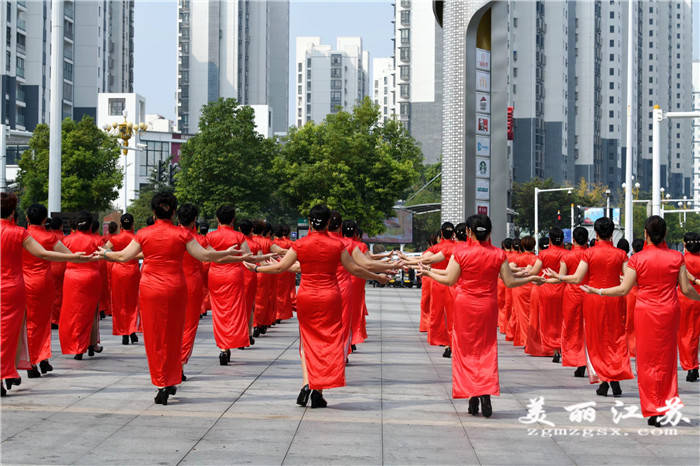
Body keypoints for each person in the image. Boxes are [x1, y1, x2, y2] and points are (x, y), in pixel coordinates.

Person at [99, 192, 248, 405]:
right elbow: (205, 256)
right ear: (174, 211)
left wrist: (103, 254)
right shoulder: (182, 235)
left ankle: (161, 382)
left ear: (153, 211)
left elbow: (123, 256)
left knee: (154, 336)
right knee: (174, 334)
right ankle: (171, 378)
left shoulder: (143, 234)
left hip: (150, 289)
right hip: (176, 287)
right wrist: (229, 253)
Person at [244, 204, 389, 408]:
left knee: (307, 340)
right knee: (328, 341)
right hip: (330, 296)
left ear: (311, 221)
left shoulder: (300, 244)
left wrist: (257, 268)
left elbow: (281, 267)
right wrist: (378, 278)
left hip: (307, 296)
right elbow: (355, 268)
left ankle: (306, 383)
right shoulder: (337, 246)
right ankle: (318, 390)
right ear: (329, 222)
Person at [419, 215, 545, 417]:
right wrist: (531, 278)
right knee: (486, 349)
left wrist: (428, 273)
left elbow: (450, 279)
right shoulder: (498, 254)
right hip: (488, 306)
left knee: (465, 349)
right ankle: (485, 391)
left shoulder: (461, 253)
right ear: (490, 232)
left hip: (464, 305)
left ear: (469, 232)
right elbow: (510, 281)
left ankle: (472, 395)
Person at [579, 216, 700, 426]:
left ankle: (652, 407)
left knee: (647, 362)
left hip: (645, 313)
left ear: (645, 233)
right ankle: (663, 404)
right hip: (669, 312)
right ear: (665, 234)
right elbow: (687, 289)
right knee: (667, 361)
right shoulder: (676, 257)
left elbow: (624, 289)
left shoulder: (637, 259)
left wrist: (598, 290)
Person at [1, 193, 89, 396]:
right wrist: (75, 257)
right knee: (14, 331)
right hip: (18, 286)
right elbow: (43, 253)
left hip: (22, 284)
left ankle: (12, 370)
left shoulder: (23, 232)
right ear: (13, 212)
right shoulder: (20, 234)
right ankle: (15, 368)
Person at [546, 217, 633, 398]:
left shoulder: (589, 254)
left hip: (593, 298)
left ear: (596, 233)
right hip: (615, 298)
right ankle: (615, 375)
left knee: (596, 339)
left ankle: (603, 379)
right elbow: (627, 279)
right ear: (612, 234)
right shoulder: (621, 255)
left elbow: (577, 278)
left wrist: (558, 276)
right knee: (615, 338)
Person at [22, 204, 80, 377]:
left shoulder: (22, 235)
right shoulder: (49, 237)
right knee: (42, 322)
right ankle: (41, 358)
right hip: (42, 282)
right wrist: (80, 258)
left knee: (26, 324)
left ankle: (31, 361)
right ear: (44, 220)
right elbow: (68, 254)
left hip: (21, 282)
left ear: (26, 219)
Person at [206, 204, 259, 364]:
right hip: (234, 275)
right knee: (234, 310)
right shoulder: (238, 236)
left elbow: (207, 256)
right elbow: (248, 256)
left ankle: (223, 347)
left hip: (215, 275)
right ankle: (231, 342)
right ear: (233, 219)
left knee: (219, 311)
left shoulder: (210, 237)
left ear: (217, 219)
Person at [59, 212, 106, 360]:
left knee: (72, 312)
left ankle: (76, 345)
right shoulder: (97, 240)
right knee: (92, 311)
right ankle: (92, 343)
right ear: (90, 225)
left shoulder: (67, 240)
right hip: (91, 277)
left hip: (72, 278)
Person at [529, 228, 567, 360]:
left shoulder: (543, 254)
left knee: (548, 320)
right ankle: (562, 345)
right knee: (562, 319)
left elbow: (534, 271)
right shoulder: (567, 254)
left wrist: (522, 273)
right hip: (563, 289)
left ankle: (554, 348)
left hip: (545, 288)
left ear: (549, 239)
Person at [103, 214, 140, 345]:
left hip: (117, 271)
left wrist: (115, 257)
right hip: (133, 271)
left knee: (119, 302)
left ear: (121, 224)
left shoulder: (115, 239)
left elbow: (104, 251)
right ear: (132, 224)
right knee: (132, 301)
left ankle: (123, 332)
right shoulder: (136, 238)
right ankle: (132, 330)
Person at [559, 227, 589, 377]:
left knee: (572, 328)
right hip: (589, 292)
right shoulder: (590, 255)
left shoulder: (567, 257)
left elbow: (561, 277)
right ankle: (586, 359)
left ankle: (577, 359)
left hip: (571, 294)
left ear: (573, 240)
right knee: (588, 328)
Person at [678, 232, 700, 382]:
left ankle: (691, 366)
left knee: (687, 334)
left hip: (685, 299)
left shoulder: (682, 260)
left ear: (685, 244)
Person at [510, 236, 537, 347]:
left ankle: (526, 340)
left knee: (522, 315)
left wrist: (520, 269)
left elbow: (510, 267)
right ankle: (532, 339)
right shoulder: (536, 258)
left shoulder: (518, 258)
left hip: (520, 288)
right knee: (533, 315)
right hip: (533, 287)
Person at [626, 238, 645, 358]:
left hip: (632, 293)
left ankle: (632, 348)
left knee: (630, 321)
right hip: (643, 292)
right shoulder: (645, 259)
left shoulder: (632, 260)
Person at [49, 217, 66, 328]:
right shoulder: (64, 238)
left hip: (49, 268)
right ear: (61, 226)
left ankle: (51, 318)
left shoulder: (48, 237)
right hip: (62, 268)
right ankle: (58, 318)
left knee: (51, 294)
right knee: (61, 294)